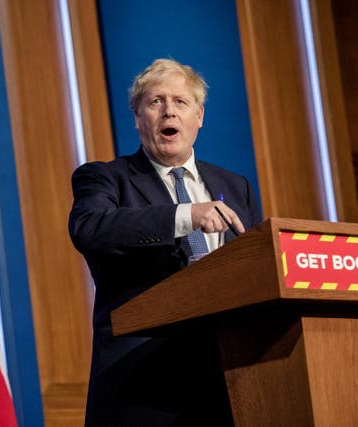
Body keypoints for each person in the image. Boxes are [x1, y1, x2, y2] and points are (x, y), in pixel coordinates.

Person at [68, 58, 262, 425]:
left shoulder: (236, 186)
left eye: (180, 101)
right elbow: (90, 228)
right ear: (137, 117)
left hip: (228, 378)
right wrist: (186, 216)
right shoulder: (105, 178)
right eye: (156, 101)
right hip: (142, 383)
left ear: (199, 116)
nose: (169, 111)